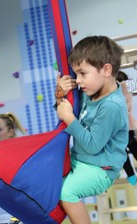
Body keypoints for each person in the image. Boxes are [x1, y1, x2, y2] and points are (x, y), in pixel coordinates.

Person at [55, 35, 129, 224]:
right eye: (76, 74)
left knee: (67, 192)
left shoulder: (111, 106)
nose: (77, 80)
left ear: (106, 70)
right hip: (80, 159)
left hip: (100, 168)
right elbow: (65, 108)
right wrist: (60, 94)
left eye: (82, 73)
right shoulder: (90, 90)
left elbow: (93, 145)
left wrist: (69, 118)